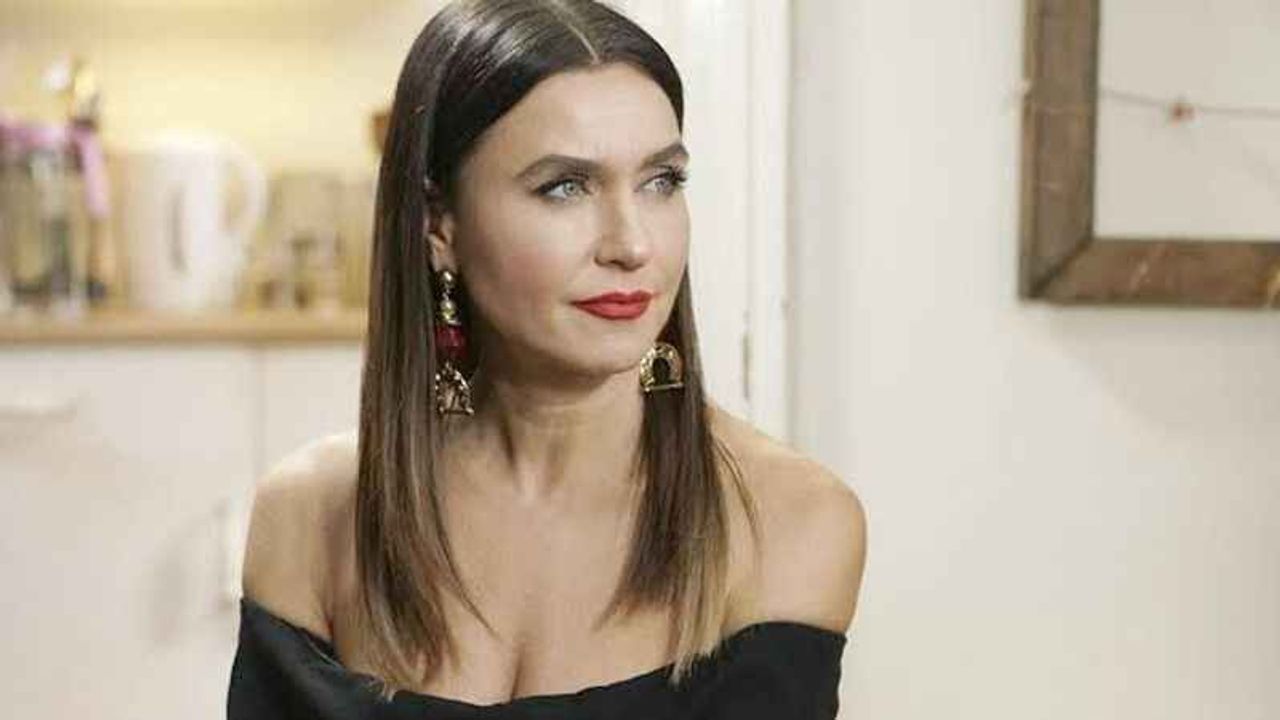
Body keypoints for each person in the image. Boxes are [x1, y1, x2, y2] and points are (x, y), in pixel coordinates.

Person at [226, 0, 867, 717]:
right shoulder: (311, 516)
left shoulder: (789, 521)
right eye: (565, 187)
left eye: (661, 181)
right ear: (439, 225)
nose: (632, 244)